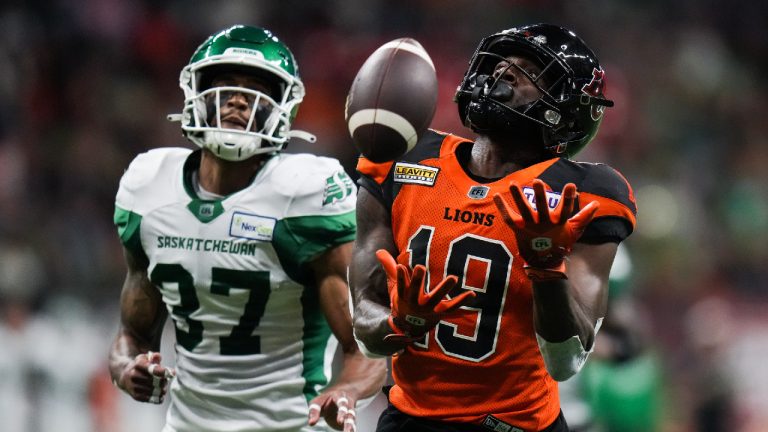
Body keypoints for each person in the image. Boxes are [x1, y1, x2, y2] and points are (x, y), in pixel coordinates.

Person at [350, 23, 637, 432]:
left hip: (518, 425)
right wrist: (400, 324)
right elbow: (364, 328)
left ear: (566, 107)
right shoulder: (405, 160)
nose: (505, 72)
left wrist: (547, 267)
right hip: (411, 419)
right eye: (501, 62)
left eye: (529, 70)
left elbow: (566, 361)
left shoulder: (583, 194)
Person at [109, 24, 386, 432]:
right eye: (226, 83)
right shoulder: (149, 187)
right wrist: (126, 368)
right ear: (196, 93)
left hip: (292, 425)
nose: (238, 98)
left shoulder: (304, 196)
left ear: (283, 108)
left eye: (257, 88)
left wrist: (344, 391)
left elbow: (366, 348)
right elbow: (132, 334)